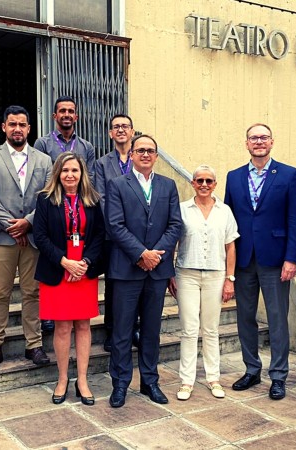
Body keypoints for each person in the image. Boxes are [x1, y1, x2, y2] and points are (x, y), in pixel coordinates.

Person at [224, 123, 296, 401]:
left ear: (271, 142)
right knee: (245, 318)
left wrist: (291, 258)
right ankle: (252, 369)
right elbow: (228, 223)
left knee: (277, 318)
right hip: (244, 259)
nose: (259, 142)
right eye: (254, 138)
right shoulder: (233, 177)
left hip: (275, 259)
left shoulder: (289, 174)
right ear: (246, 143)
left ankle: (278, 375)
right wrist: (228, 265)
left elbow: (295, 220)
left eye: (263, 137)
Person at [106, 134, 182, 408]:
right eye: (140, 150)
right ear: (132, 154)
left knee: (151, 330)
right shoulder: (117, 185)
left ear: (156, 155)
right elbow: (114, 225)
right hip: (127, 269)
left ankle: (150, 381)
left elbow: (175, 225)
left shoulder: (168, 185)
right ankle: (120, 384)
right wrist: (140, 253)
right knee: (123, 331)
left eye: (150, 150)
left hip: (157, 271)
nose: (146, 154)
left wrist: (155, 255)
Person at [0, 105, 52, 372]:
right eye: (12, 124)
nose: (17, 129)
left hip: (32, 237)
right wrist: (12, 226)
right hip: (2, 236)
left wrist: (28, 222)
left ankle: (34, 345)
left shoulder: (43, 160)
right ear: (4, 127)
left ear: (29, 129)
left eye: (22, 124)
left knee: (33, 292)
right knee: (0, 292)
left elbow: (48, 195)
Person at [33, 153, 106, 406]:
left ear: (82, 173)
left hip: (84, 268)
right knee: (62, 327)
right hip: (58, 267)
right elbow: (40, 237)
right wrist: (65, 262)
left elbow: (99, 236)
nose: (70, 175)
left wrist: (84, 263)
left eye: (75, 170)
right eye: (65, 170)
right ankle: (62, 378)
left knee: (83, 326)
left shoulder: (93, 200)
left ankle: (82, 380)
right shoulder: (45, 200)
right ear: (57, 173)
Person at [168, 165, 238, 401]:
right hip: (186, 274)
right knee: (188, 329)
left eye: (209, 181)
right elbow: (172, 243)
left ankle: (213, 378)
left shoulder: (225, 211)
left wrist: (230, 279)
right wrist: (170, 274)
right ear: (193, 183)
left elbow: (230, 246)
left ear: (215, 184)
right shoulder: (182, 210)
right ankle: (186, 381)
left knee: (211, 329)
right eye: (200, 180)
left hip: (216, 275)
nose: (204, 185)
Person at [34, 95, 97, 333]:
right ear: (54, 116)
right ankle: (49, 316)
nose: (67, 114)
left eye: (71, 111)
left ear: (76, 116)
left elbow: (88, 180)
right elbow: (41, 182)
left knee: (82, 322)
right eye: (62, 111)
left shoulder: (87, 147)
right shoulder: (42, 144)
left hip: (78, 214)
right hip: (52, 210)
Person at [93, 114, 136, 351]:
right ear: (110, 133)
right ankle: (112, 331)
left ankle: (134, 329)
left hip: (140, 235)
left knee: (139, 283)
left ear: (132, 131)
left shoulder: (141, 157)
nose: (120, 130)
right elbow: (101, 197)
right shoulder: (102, 163)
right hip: (112, 234)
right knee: (113, 284)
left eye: (125, 126)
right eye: (116, 127)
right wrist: (119, 225)